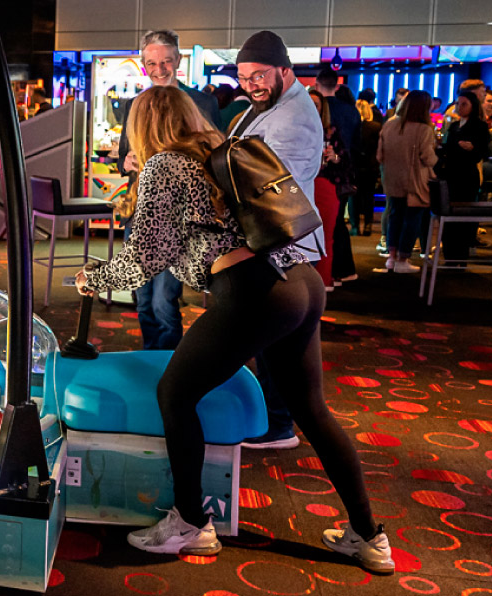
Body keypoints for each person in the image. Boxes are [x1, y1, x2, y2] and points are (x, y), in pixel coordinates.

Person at [72, 85, 392, 574]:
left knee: (175, 394)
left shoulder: (164, 165)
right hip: (300, 280)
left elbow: (146, 256)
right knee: (312, 408)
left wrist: (93, 278)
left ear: (143, 126)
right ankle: (369, 536)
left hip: (253, 291)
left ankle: (189, 523)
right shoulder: (217, 150)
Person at [226, 31, 324, 450]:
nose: (251, 86)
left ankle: (279, 424)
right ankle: (276, 418)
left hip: (280, 242)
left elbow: (267, 186)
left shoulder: (294, 117)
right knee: (273, 338)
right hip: (270, 240)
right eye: (244, 78)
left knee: (277, 339)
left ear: (286, 70)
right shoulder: (274, 103)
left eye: (259, 76)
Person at [118, 29, 222, 350]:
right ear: (143, 64)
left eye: (166, 61)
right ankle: (154, 359)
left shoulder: (203, 102)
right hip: (140, 210)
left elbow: (217, 156)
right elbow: (124, 154)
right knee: (143, 298)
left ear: (178, 59)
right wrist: (128, 161)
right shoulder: (136, 103)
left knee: (164, 300)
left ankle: (169, 368)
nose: (159, 69)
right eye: (152, 63)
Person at [377, 91, 438, 274]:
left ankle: (391, 257)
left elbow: (380, 155)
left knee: (394, 216)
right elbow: (428, 158)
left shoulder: (389, 125)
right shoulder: (424, 129)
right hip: (415, 182)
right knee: (412, 219)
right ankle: (403, 258)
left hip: (392, 179)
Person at [309, 90, 356, 288]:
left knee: (326, 235)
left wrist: (334, 157)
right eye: (308, 103)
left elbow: (344, 161)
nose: (312, 108)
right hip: (301, 187)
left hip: (325, 183)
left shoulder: (330, 131)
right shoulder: (294, 129)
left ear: (322, 109)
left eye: (316, 104)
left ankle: (324, 280)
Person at [438, 91, 492, 261]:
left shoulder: (480, 126)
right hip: (451, 174)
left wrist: (472, 148)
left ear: (473, 106)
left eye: (463, 104)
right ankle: (449, 254)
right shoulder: (454, 126)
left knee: (464, 215)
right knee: (449, 214)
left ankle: (460, 254)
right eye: (457, 104)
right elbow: (447, 148)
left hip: (467, 175)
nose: (459, 108)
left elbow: (483, 153)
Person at [351, 100, 383, 237]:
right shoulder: (376, 127)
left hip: (354, 166)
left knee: (354, 198)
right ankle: (368, 225)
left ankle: (355, 225)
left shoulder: (351, 126)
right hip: (371, 166)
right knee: (369, 197)